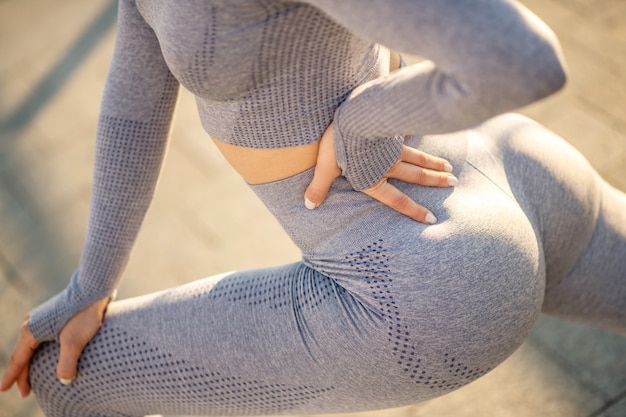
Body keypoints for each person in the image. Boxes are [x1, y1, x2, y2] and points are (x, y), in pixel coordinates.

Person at [2, 0, 625, 416]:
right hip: (519, 165)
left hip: (413, 277)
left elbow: (519, 58)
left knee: (68, 374)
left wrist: (363, 124)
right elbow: (133, 114)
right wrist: (91, 285)